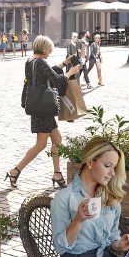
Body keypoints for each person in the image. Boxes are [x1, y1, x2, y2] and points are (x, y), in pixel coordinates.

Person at [6, 36, 76, 190]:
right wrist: (69, 73)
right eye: (49, 51)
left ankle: (57, 173)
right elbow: (57, 80)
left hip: (39, 105)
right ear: (44, 50)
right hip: (43, 108)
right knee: (41, 144)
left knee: (57, 139)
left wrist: (64, 63)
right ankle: (15, 171)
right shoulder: (41, 63)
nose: (49, 53)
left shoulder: (31, 61)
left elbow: (48, 73)